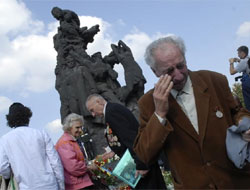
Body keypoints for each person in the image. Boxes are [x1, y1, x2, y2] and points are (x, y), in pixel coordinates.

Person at [133, 35, 250, 189]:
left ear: (185, 59)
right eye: (169, 71)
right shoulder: (148, 103)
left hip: (235, 181)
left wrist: (244, 123)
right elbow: (144, 155)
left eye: (181, 66)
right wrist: (159, 114)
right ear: (154, 71)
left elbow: (238, 112)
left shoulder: (214, 80)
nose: (179, 75)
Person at [85, 94, 166, 189]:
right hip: (139, 161)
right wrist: (113, 150)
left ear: (99, 102)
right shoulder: (111, 110)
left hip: (140, 163)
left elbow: (131, 138)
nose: (93, 114)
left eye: (92, 110)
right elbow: (122, 137)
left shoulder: (112, 112)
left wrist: (141, 165)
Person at [0, 102, 64, 190]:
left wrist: (8, 175)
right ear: (27, 115)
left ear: (9, 119)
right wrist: (61, 185)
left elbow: (3, 167)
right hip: (50, 184)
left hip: (26, 186)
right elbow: (55, 162)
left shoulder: (5, 139)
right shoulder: (41, 134)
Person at [55, 113, 96, 190]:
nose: (80, 130)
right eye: (77, 127)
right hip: (77, 185)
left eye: (81, 127)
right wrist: (88, 167)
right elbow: (73, 167)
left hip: (80, 183)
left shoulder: (71, 141)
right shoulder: (65, 143)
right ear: (69, 127)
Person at [229, 46, 250, 111]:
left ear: (242, 53)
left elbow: (232, 72)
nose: (238, 55)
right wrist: (238, 60)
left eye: (238, 53)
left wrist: (231, 63)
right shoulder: (248, 59)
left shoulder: (244, 62)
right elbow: (245, 63)